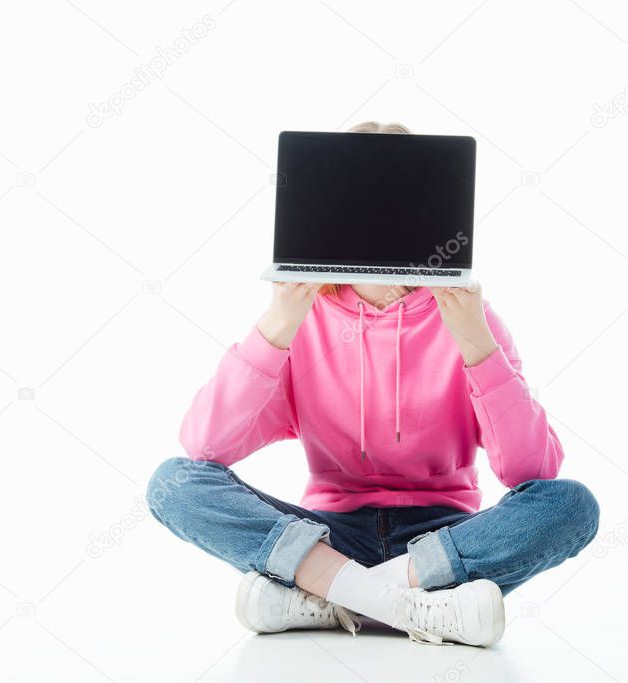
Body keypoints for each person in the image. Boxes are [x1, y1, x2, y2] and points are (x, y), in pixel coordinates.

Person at [147, 122, 599, 647]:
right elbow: (205, 446)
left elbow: (533, 472)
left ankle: (329, 599)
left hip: (444, 541)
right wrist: (275, 328)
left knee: (572, 504)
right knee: (172, 483)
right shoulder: (301, 318)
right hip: (325, 537)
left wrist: (477, 345)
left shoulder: (470, 318)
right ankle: (411, 608)